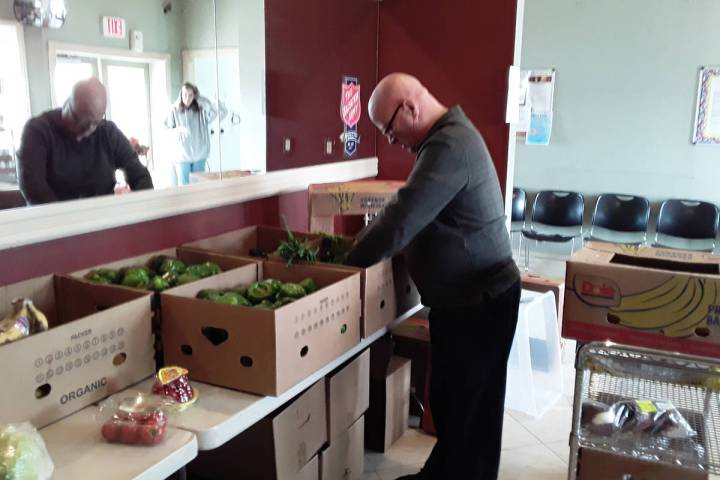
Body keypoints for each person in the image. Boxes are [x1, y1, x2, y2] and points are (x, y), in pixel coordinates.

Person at [344, 73, 521, 480]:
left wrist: (346, 265)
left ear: (409, 107)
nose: (390, 140)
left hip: (480, 301)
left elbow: (401, 218)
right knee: (453, 405)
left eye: (388, 129)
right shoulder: (444, 140)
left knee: (470, 412)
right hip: (466, 301)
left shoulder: (449, 146)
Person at [16, 78, 154, 205]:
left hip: (101, 220)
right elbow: (33, 189)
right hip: (52, 223)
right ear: (66, 103)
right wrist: (69, 220)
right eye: (77, 119)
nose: (84, 130)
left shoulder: (108, 132)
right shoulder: (37, 131)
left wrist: (140, 209)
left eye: (93, 123)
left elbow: (141, 177)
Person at [165, 82, 227, 185]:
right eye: (185, 95)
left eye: (190, 95)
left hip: (199, 154)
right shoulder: (174, 110)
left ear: (194, 96)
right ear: (181, 95)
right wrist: (177, 130)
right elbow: (166, 128)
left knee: (198, 185)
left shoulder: (201, 110)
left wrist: (203, 99)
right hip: (182, 156)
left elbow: (218, 114)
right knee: (184, 186)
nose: (187, 98)